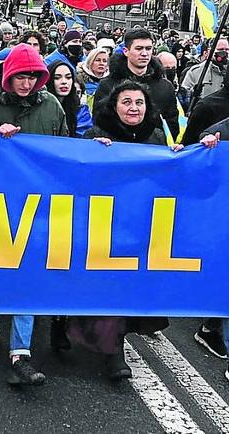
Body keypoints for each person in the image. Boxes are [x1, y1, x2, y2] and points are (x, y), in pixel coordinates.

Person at [0, 44, 68, 387]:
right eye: (21, 76)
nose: (27, 83)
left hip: (38, 206)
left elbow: (65, 147)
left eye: (34, 76)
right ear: (8, 76)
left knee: (27, 275)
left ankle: (19, 353)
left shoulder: (51, 106)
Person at [77, 80, 189, 379]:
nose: (133, 108)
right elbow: (78, 175)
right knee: (107, 288)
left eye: (139, 102)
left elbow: (170, 182)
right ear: (114, 107)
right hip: (104, 227)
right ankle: (113, 353)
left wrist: (178, 157)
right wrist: (92, 153)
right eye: (126, 102)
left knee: (129, 288)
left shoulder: (155, 138)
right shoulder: (97, 136)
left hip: (141, 227)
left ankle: (116, 342)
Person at [95, 28, 180, 140]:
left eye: (148, 48)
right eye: (139, 48)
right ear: (126, 51)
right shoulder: (108, 84)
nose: (144, 53)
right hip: (115, 150)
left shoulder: (165, 87)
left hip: (153, 151)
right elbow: (100, 121)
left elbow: (171, 125)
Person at [46, 58, 91, 137]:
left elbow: (85, 137)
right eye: (57, 77)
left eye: (68, 77)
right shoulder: (40, 108)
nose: (64, 82)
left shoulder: (81, 110)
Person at [180, 36, 228, 106]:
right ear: (210, 51)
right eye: (220, 49)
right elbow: (183, 98)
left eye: (227, 49)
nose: (225, 52)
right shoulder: (195, 72)